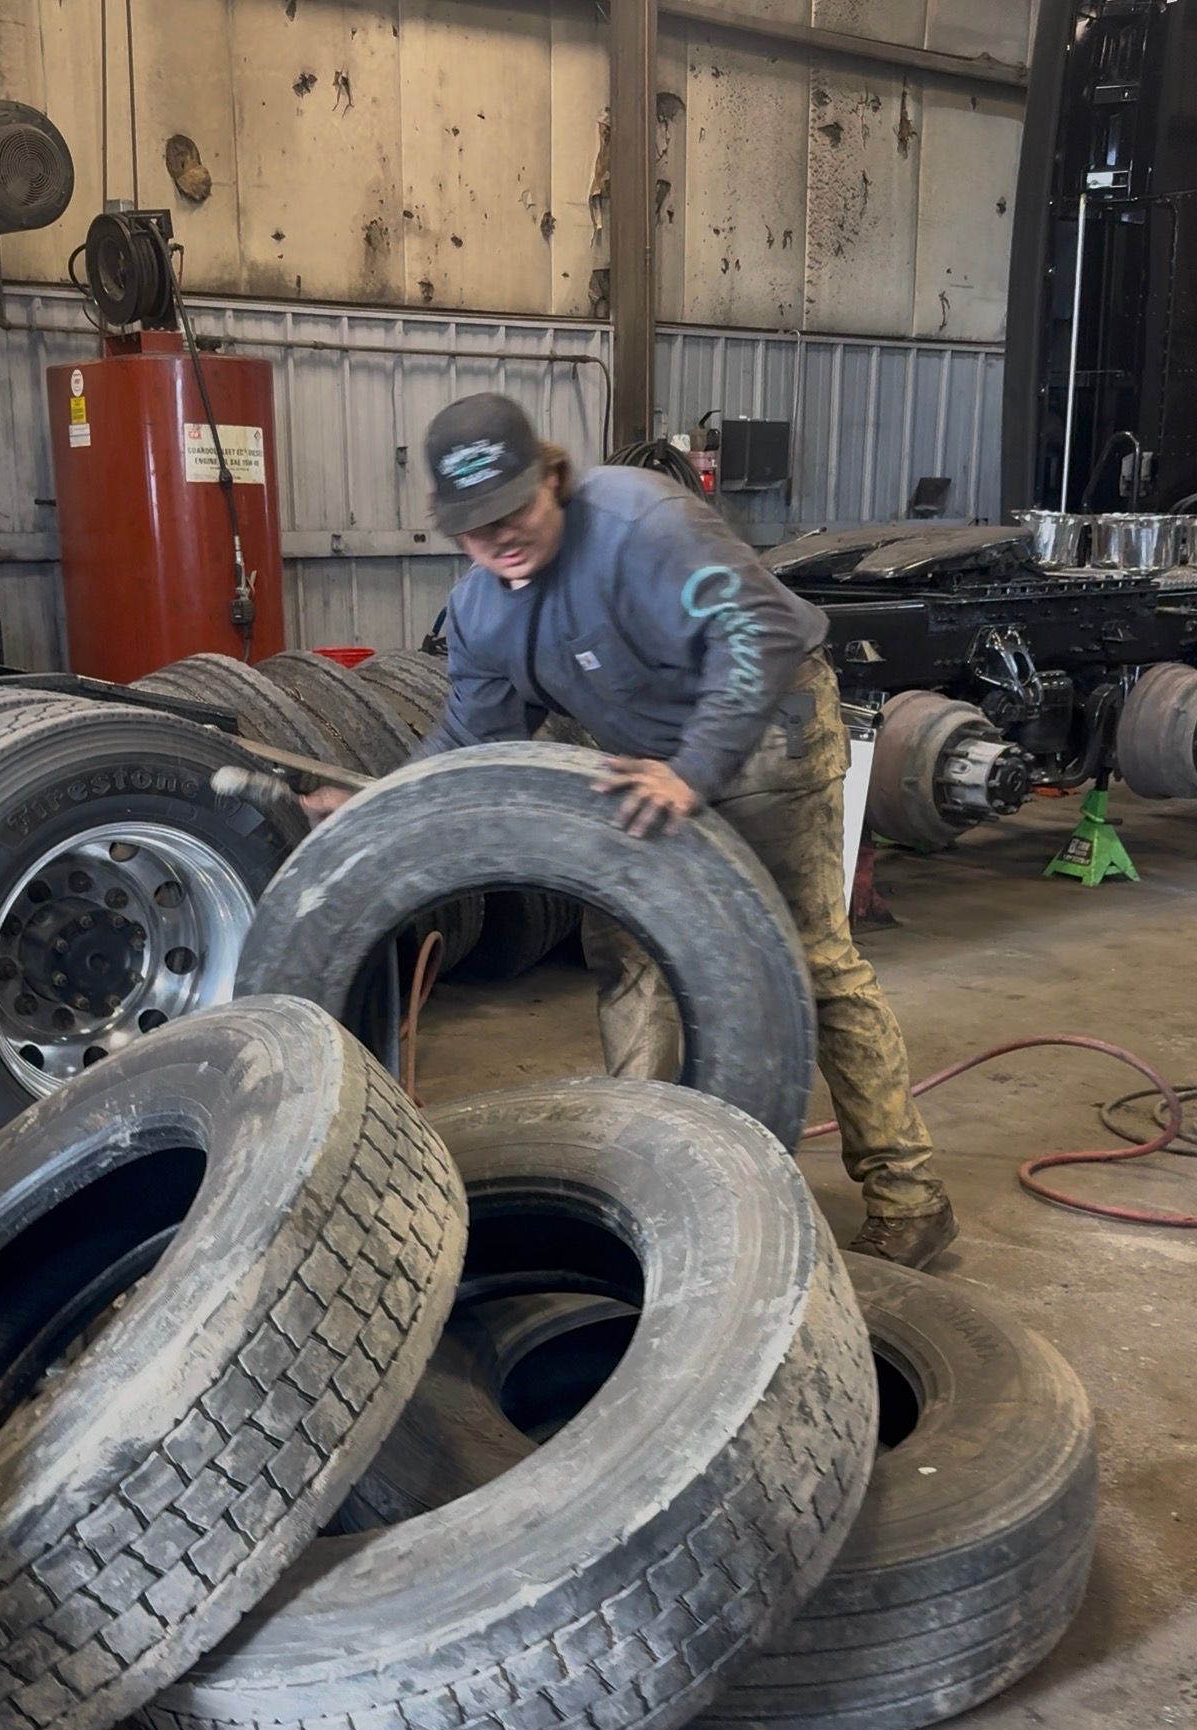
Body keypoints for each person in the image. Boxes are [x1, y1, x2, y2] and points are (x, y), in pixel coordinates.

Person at [307, 393, 957, 1269]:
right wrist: (382, 803)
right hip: (642, 760)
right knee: (629, 955)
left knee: (805, 961)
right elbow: (472, 739)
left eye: (512, 511)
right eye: (473, 527)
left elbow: (756, 632)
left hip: (766, 726)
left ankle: (909, 1197)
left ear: (553, 479)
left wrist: (695, 770)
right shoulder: (481, 611)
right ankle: (649, 1192)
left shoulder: (641, 522)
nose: (498, 538)